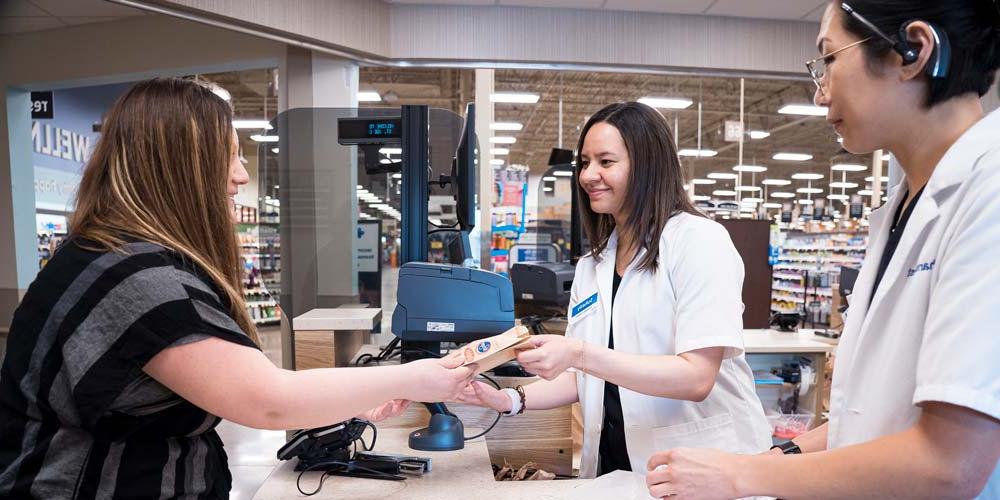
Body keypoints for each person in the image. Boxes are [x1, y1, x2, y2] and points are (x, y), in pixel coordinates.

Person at [0, 78, 475, 499]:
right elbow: (268, 399)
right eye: (227, 156)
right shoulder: (133, 278)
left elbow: (228, 383)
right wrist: (421, 376)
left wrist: (355, 395)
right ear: (176, 169)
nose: (242, 175)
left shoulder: (120, 255)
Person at [645, 2, 1000, 498]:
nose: (819, 93)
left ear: (914, 51)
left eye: (829, 59)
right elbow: (874, 417)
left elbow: (949, 464)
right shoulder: (904, 207)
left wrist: (741, 476)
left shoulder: (989, 192)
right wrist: (776, 455)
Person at [457, 101, 772, 478]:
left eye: (605, 162)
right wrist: (508, 399)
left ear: (648, 166)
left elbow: (696, 377)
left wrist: (579, 353)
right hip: (614, 469)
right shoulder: (593, 265)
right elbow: (583, 376)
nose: (589, 175)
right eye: (585, 163)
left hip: (704, 467)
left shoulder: (699, 241)